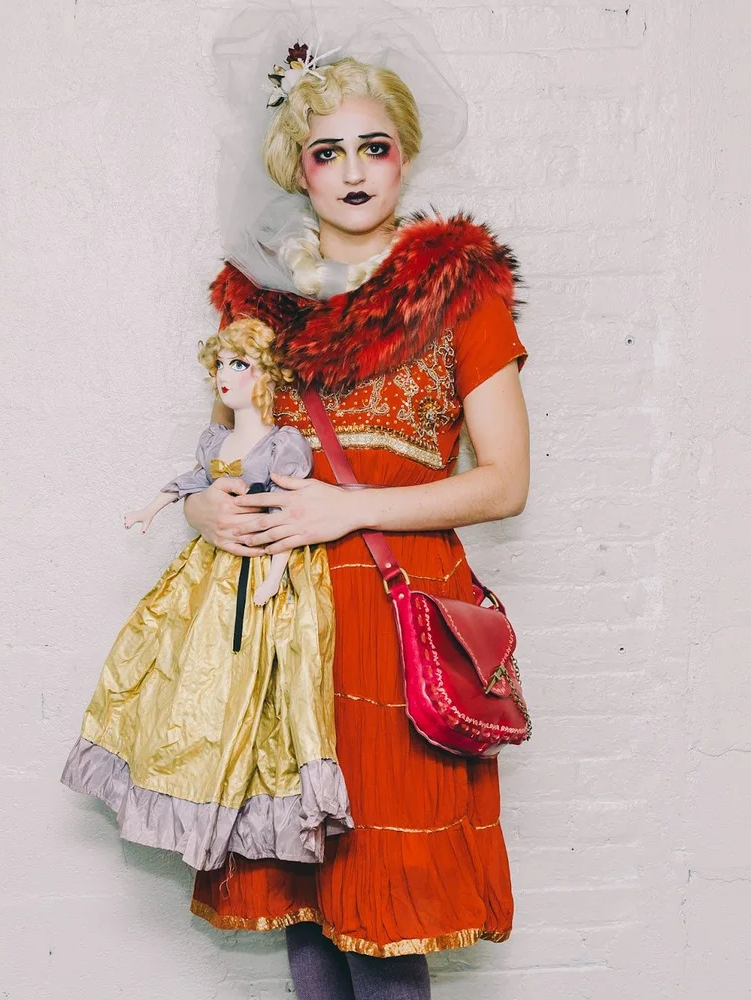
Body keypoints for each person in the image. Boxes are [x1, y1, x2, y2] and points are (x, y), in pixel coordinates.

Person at [185, 5, 532, 996]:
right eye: (327, 151)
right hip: (285, 624)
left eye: (373, 147)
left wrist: (352, 510)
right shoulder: (260, 303)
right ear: (298, 168)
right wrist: (204, 511)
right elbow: (226, 457)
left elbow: (505, 481)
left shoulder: (459, 290)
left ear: (404, 158)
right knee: (307, 908)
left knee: (383, 916)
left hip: (394, 618)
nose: (352, 171)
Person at [62, 318, 350, 872]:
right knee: (174, 669)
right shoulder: (216, 439)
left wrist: (275, 574)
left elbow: (287, 515)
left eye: (239, 365)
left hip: (264, 568)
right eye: (220, 364)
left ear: (265, 375)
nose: (224, 375)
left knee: (270, 692)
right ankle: (181, 790)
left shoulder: (283, 445)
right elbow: (194, 481)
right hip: (210, 574)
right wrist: (155, 508)